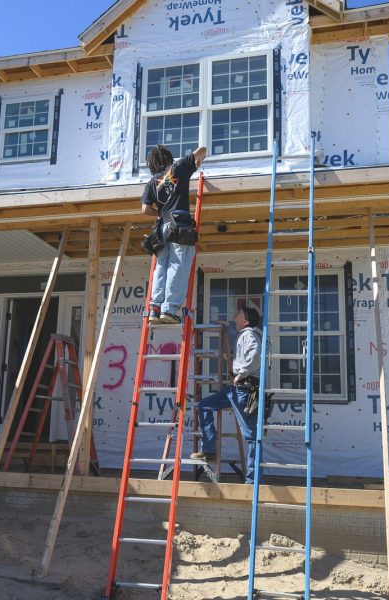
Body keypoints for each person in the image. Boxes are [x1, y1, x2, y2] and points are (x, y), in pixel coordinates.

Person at [191, 305, 262, 484]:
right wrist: (226, 325)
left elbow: (255, 355)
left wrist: (241, 372)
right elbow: (234, 332)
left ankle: (253, 479)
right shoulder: (242, 334)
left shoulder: (249, 335)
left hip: (245, 390)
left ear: (245, 321)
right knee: (204, 405)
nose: (234, 315)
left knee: (251, 435)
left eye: (238, 314)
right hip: (236, 389)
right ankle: (209, 449)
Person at [141, 144, 207, 324]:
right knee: (178, 264)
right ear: (167, 158)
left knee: (161, 266)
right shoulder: (177, 169)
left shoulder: (151, 182)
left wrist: (161, 214)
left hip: (162, 227)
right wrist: (202, 154)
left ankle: (155, 308)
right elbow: (202, 150)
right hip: (180, 225)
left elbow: (145, 209)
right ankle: (169, 309)